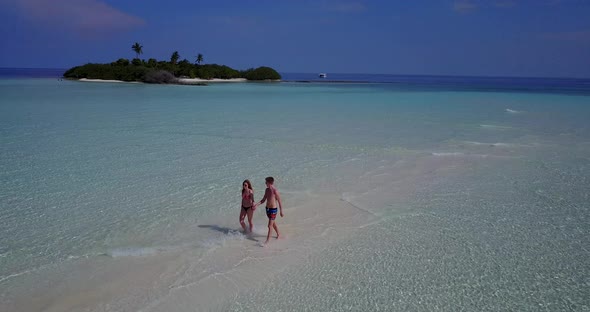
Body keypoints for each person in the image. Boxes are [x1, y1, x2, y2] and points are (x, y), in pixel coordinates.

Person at [253, 177, 283, 245]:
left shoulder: (275, 191)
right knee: (273, 223)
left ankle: (267, 241)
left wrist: (281, 211)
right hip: (268, 209)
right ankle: (278, 234)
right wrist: (256, 205)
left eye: (266, 182)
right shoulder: (267, 190)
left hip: (273, 210)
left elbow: (280, 201)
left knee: (269, 226)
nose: (265, 183)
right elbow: (263, 200)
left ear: (269, 182)